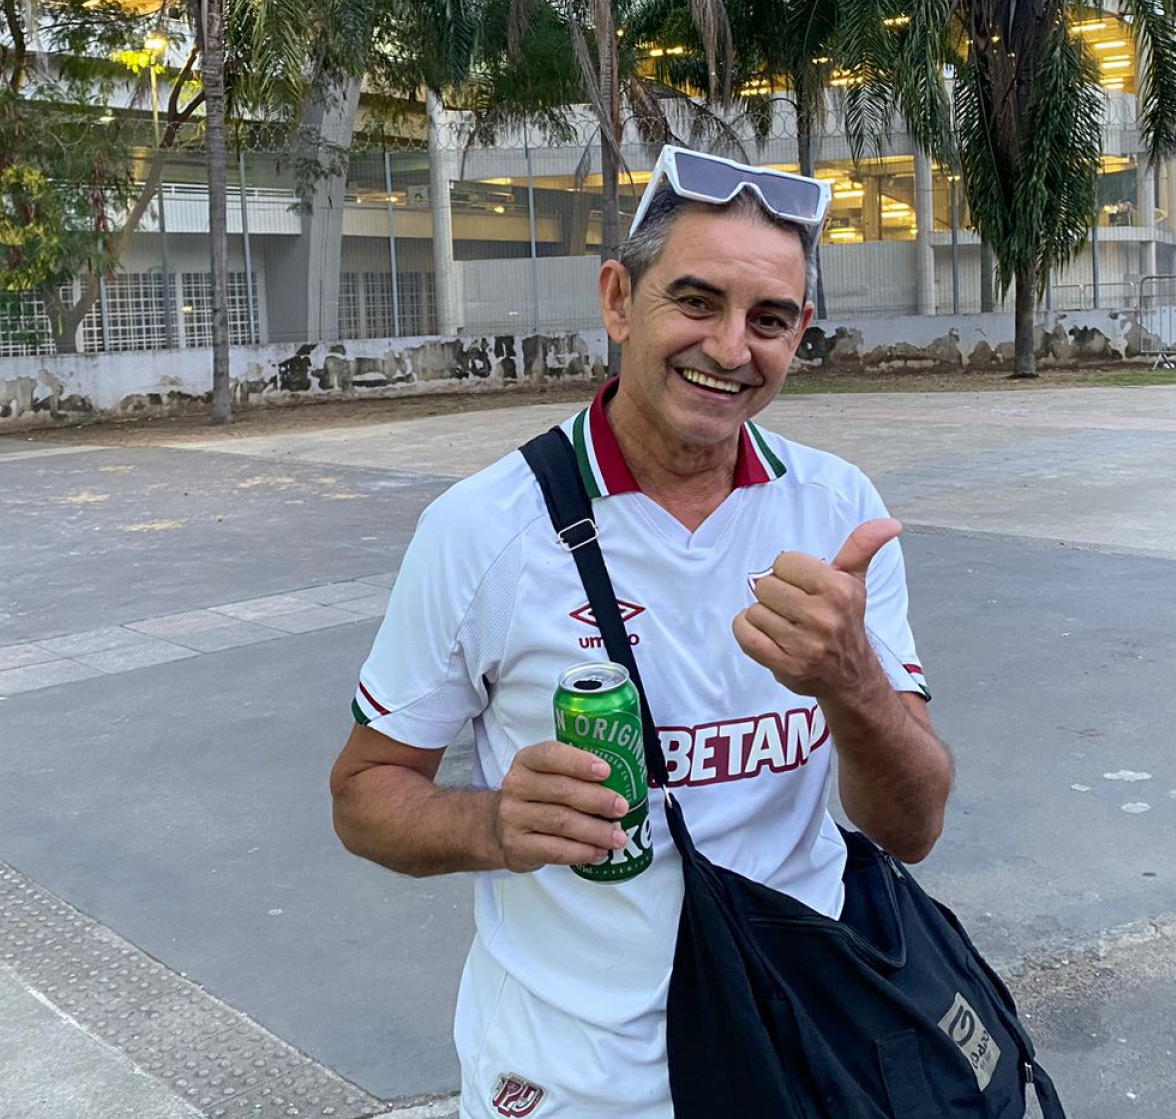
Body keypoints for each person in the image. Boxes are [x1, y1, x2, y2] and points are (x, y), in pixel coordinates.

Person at [329, 148, 954, 1119]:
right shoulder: (484, 529)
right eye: (696, 302)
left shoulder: (838, 510)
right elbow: (366, 794)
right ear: (619, 299)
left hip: (803, 1043)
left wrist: (852, 680)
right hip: (574, 1079)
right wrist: (493, 823)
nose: (732, 348)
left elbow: (910, 826)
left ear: (801, 336)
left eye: (771, 320)